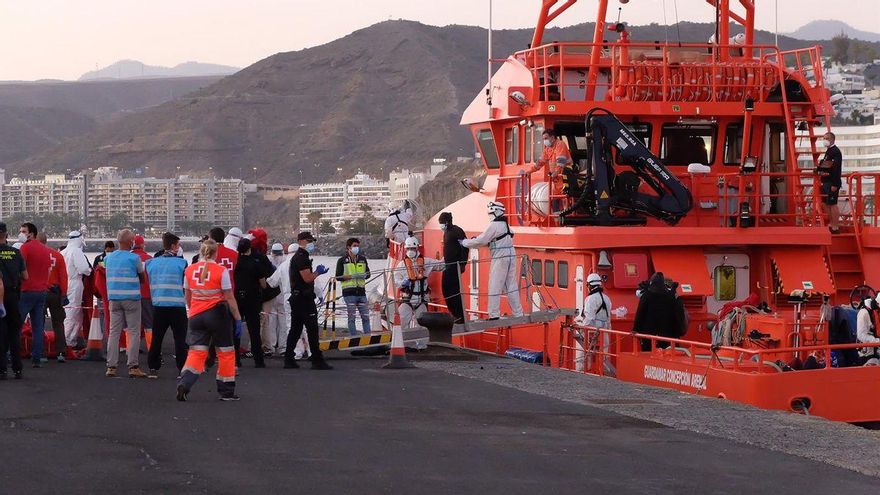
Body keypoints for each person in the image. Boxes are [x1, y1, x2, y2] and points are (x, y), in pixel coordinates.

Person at [176, 239, 243, 401]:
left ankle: (185, 382)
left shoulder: (189, 270)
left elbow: (187, 296)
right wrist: (238, 318)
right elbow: (229, 297)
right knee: (226, 352)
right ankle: (226, 392)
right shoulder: (221, 271)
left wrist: (191, 312)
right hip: (217, 315)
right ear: (216, 253)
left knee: (196, 352)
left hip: (196, 316)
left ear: (200, 251)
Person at [461, 202, 524, 320]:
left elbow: (481, 240)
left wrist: (465, 242)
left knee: (495, 284)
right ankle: (518, 312)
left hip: (500, 256)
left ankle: (494, 314)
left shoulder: (494, 226)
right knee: (511, 285)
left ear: (494, 212)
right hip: (511, 254)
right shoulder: (506, 225)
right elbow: (497, 238)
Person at [284, 231, 332, 370]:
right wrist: (318, 272)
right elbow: (307, 278)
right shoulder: (301, 258)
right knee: (311, 329)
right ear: (302, 241)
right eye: (310, 241)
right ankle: (317, 360)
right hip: (304, 299)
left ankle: (289, 358)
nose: (312, 244)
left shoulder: (299, 257)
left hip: (298, 298)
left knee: (295, 329)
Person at [104, 229, 147, 378]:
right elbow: (142, 277)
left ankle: (111, 366)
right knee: (133, 332)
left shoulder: (109, 258)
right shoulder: (134, 258)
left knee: (114, 332)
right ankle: (133, 366)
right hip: (131, 298)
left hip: (114, 298)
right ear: (131, 242)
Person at [145, 232, 189, 379]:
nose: (179, 247)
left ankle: (153, 367)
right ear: (173, 246)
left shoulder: (151, 263)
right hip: (177, 305)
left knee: (157, 338)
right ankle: (181, 369)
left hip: (158, 305)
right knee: (180, 339)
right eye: (178, 245)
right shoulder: (182, 263)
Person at [18, 223, 53, 367]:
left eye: (23, 231)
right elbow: (49, 270)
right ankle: (36, 357)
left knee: (16, 325)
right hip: (41, 291)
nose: (21, 233)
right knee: (38, 326)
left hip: (26, 291)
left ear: (31, 233)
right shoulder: (45, 250)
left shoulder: (25, 248)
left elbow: (20, 268)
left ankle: (9, 354)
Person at [393, 236, 444, 331]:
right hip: (407, 300)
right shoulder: (401, 265)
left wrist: (448, 254)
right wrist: (403, 283)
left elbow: (440, 265)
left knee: (422, 327)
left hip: (421, 300)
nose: (410, 250)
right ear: (405, 249)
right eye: (408, 248)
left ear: (417, 248)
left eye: (412, 248)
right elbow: (396, 281)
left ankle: (421, 346)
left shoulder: (426, 261)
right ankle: (405, 344)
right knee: (400, 324)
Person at [233, 237, 269, 368]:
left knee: (235, 330)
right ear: (249, 248)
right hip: (252, 298)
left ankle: (235, 359)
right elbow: (263, 284)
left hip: (236, 297)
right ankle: (259, 360)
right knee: (254, 330)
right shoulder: (256, 263)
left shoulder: (235, 262)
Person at [633, 272, 686, 351]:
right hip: (669, 338)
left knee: (649, 358)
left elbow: (640, 314)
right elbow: (679, 315)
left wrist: (635, 329)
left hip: (649, 338)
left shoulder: (646, 296)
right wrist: (680, 331)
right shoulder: (673, 297)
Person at [38, 233, 69, 362]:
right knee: (58, 322)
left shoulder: (36, 255)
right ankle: (61, 352)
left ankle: (41, 353)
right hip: (55, 292)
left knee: (39, 323)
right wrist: (64, 293)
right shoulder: (58, 255)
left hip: (40, 291)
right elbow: (64, 276)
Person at [0, 223, 25, 380]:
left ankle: (2, 369)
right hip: (14, 296)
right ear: (7, 234)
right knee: (14, 332)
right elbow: (26, 276)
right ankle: (17, 368)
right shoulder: (16, 253)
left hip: (0, 297)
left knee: (0, 333)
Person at [61, 230, 91, 350]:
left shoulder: (63, 252)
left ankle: (70, 340)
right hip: (75, 283)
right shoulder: (76, 251)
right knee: (73, 312)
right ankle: (67, 341)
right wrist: (89, 270)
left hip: (65, 283)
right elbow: (84, 269)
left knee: (72, 312)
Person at [335, 237, 371, 336]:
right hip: (349, 293)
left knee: (365, 317)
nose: (357, 248)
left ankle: (368, 336)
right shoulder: (342, 260)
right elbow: (338, 276)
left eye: (358, 246)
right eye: (355, 246)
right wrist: (350, 277)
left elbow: (368, 274)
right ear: (348, 248)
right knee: (352, 318)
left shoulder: (362, 259)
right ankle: (353, 338)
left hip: (361, 292)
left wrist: (364, 275)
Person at [582, 273, 613, 374]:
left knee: (590, 356)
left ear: (590, 286)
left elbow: (589, 318)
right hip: (604, 331)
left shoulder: (590, 299)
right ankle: (603, 373)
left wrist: (581, 327)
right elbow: (608, 318)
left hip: (592, 331)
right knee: (604, 356)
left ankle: (590, 372)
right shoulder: (607, 298)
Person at [439, 212, 467, 323]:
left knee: (454, 291)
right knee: (446, 290)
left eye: (441, 223)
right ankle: (455, 314)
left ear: (446, 222)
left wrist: (463, 263)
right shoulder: (447, 232)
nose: (440, 225)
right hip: (448, 265)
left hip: (454, 265)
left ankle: (459, 315)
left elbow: (465, 247)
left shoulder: (457, 231)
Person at [262, 243, 288, 357]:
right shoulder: (286, 261)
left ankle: (271, 346)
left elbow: (271, 281)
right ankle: (282, 347)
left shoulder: (268, 261)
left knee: (271, 321)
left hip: (272, 295)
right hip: (283, 295)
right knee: (283, 322)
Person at [816, 131, 843, 234]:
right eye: (824, 138)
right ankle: (832, 223)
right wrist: (818, 169)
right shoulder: (829, 151)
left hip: (832, 182)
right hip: (826, 181)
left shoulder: (835, 151)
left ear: (832, 139)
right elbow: (826, 164)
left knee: (832, 204)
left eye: (826, 138)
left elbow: (836, 168)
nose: (824, 140)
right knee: (825, 203)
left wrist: (835, 184)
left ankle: (835, 226)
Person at [132, 234, 154, 350]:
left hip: (131, 295)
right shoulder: (149, 258)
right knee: (149, 324)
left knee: (131, 325)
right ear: (142, 245)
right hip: (146, 295)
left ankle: (130, 348)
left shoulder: (128, 258)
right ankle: (151, 348)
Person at [856, 295, 880, 365]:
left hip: (877, 350)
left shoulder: (876, 312)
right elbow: (861, 335)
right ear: (877, 304)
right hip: (867, 353)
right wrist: (877, 341)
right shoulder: (864, 313)